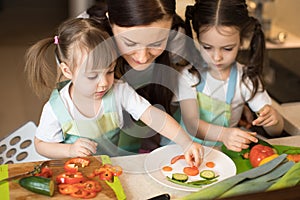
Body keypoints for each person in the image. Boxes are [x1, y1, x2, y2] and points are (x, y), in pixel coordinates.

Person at [24, 17, 203, 166]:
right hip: (75, 173)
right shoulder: (57, 108)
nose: (103, 83)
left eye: (109, 71)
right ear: (67, 71)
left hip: (110, 166)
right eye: (92, 76)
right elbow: (41, 145)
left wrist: (186, 142)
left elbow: (153, 116)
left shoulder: (119, 91)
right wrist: (69, 150)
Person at [85, 0, 258, 153]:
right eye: (130, 43)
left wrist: (236, 98)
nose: (143, 57)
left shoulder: (178, 38)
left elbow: (185, 87)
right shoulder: (83, 39)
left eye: (156, 44)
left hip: (152, 140)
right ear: (109, 20)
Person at [183, 0, 284, 148]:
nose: (217, 57)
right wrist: (224, 134)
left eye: (227, 48)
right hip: (183, 152)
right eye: (207, 47)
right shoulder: (189, 75)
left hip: (224, 156)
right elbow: (191, 123)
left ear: (241, 41)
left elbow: (276, 132)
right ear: (198, 38)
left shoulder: (246, 79)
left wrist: (273, 120)